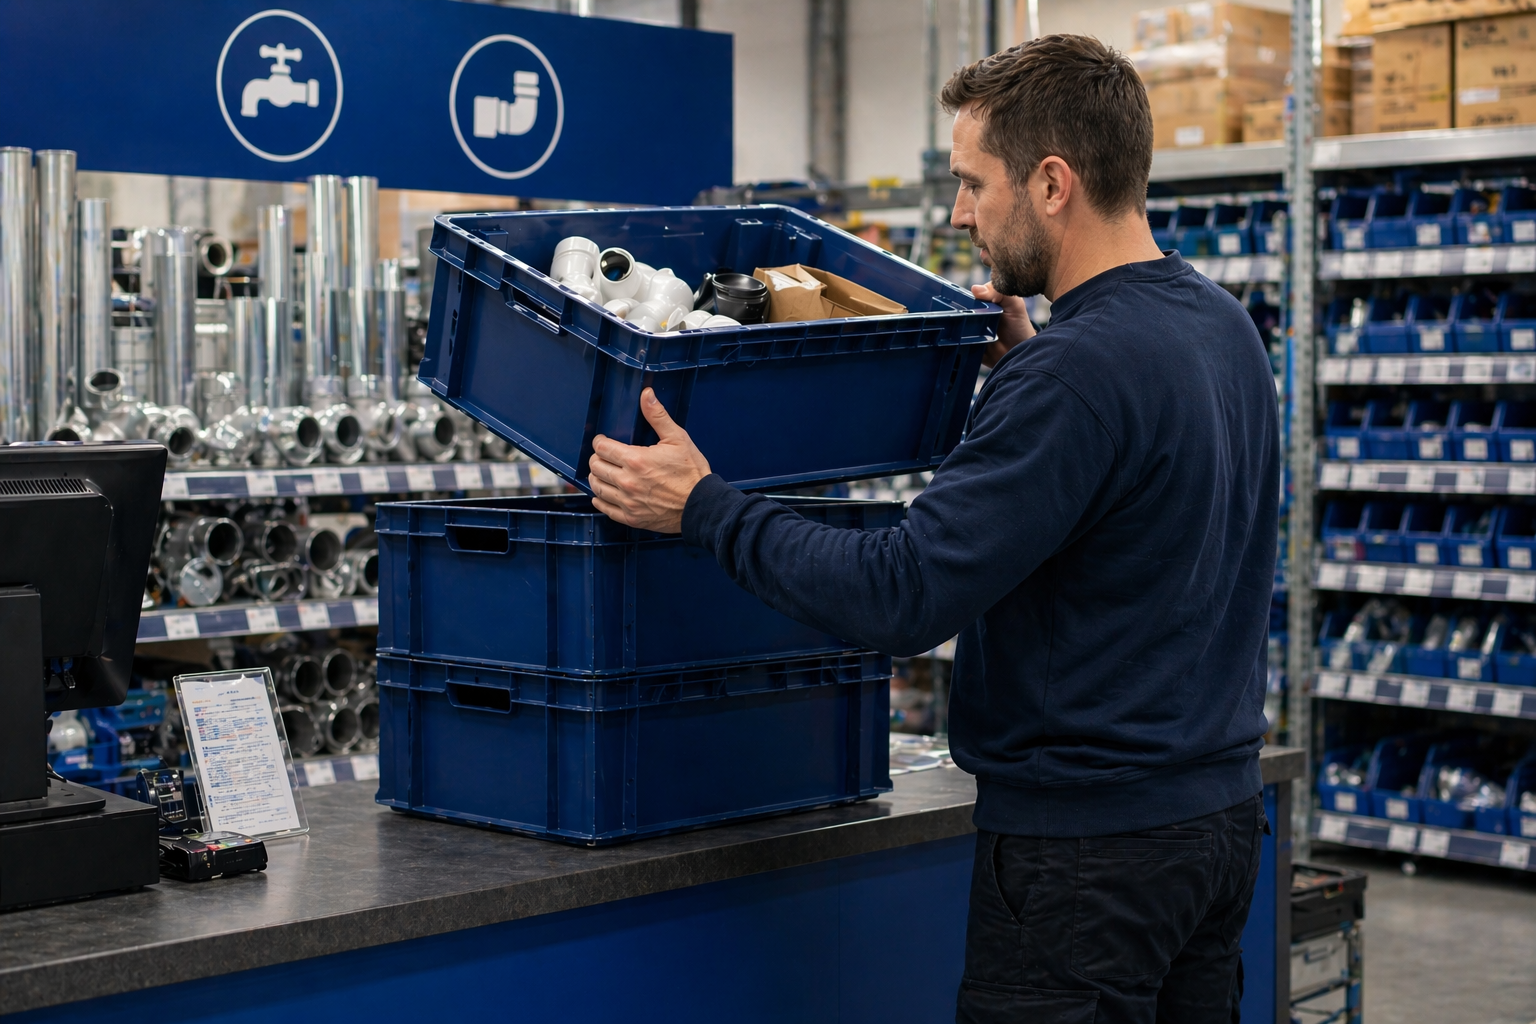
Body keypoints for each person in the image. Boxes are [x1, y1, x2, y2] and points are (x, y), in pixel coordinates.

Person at [586, 33, 1279, 1024]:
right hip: (1211, 831)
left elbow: (899, 594)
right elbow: (1139, 521)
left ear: (1051, 183)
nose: (959, 214)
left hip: (1085, 863)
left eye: (971, 183)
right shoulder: (1220, 328)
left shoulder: (1073, 379)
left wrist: (701, 505)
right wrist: (1040, 365)